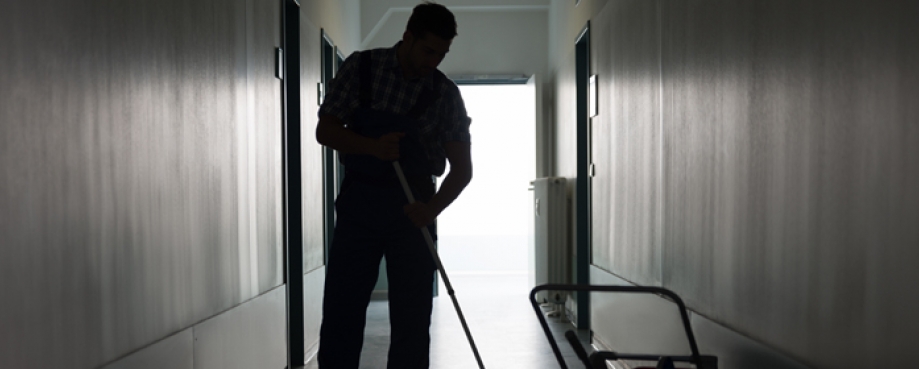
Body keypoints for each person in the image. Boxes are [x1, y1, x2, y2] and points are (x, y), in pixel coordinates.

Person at [314, 2, 472, 368]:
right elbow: (325, 130)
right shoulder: (361, 68)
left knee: (413, 321)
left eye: (442, 54)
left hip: (413, 215)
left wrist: (430, 210)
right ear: (408, 37)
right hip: (359, 208)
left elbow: (462, 170)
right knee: (342, 313)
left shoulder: (445, 94)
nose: (434, 61)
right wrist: (372, 146)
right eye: (428, 50)